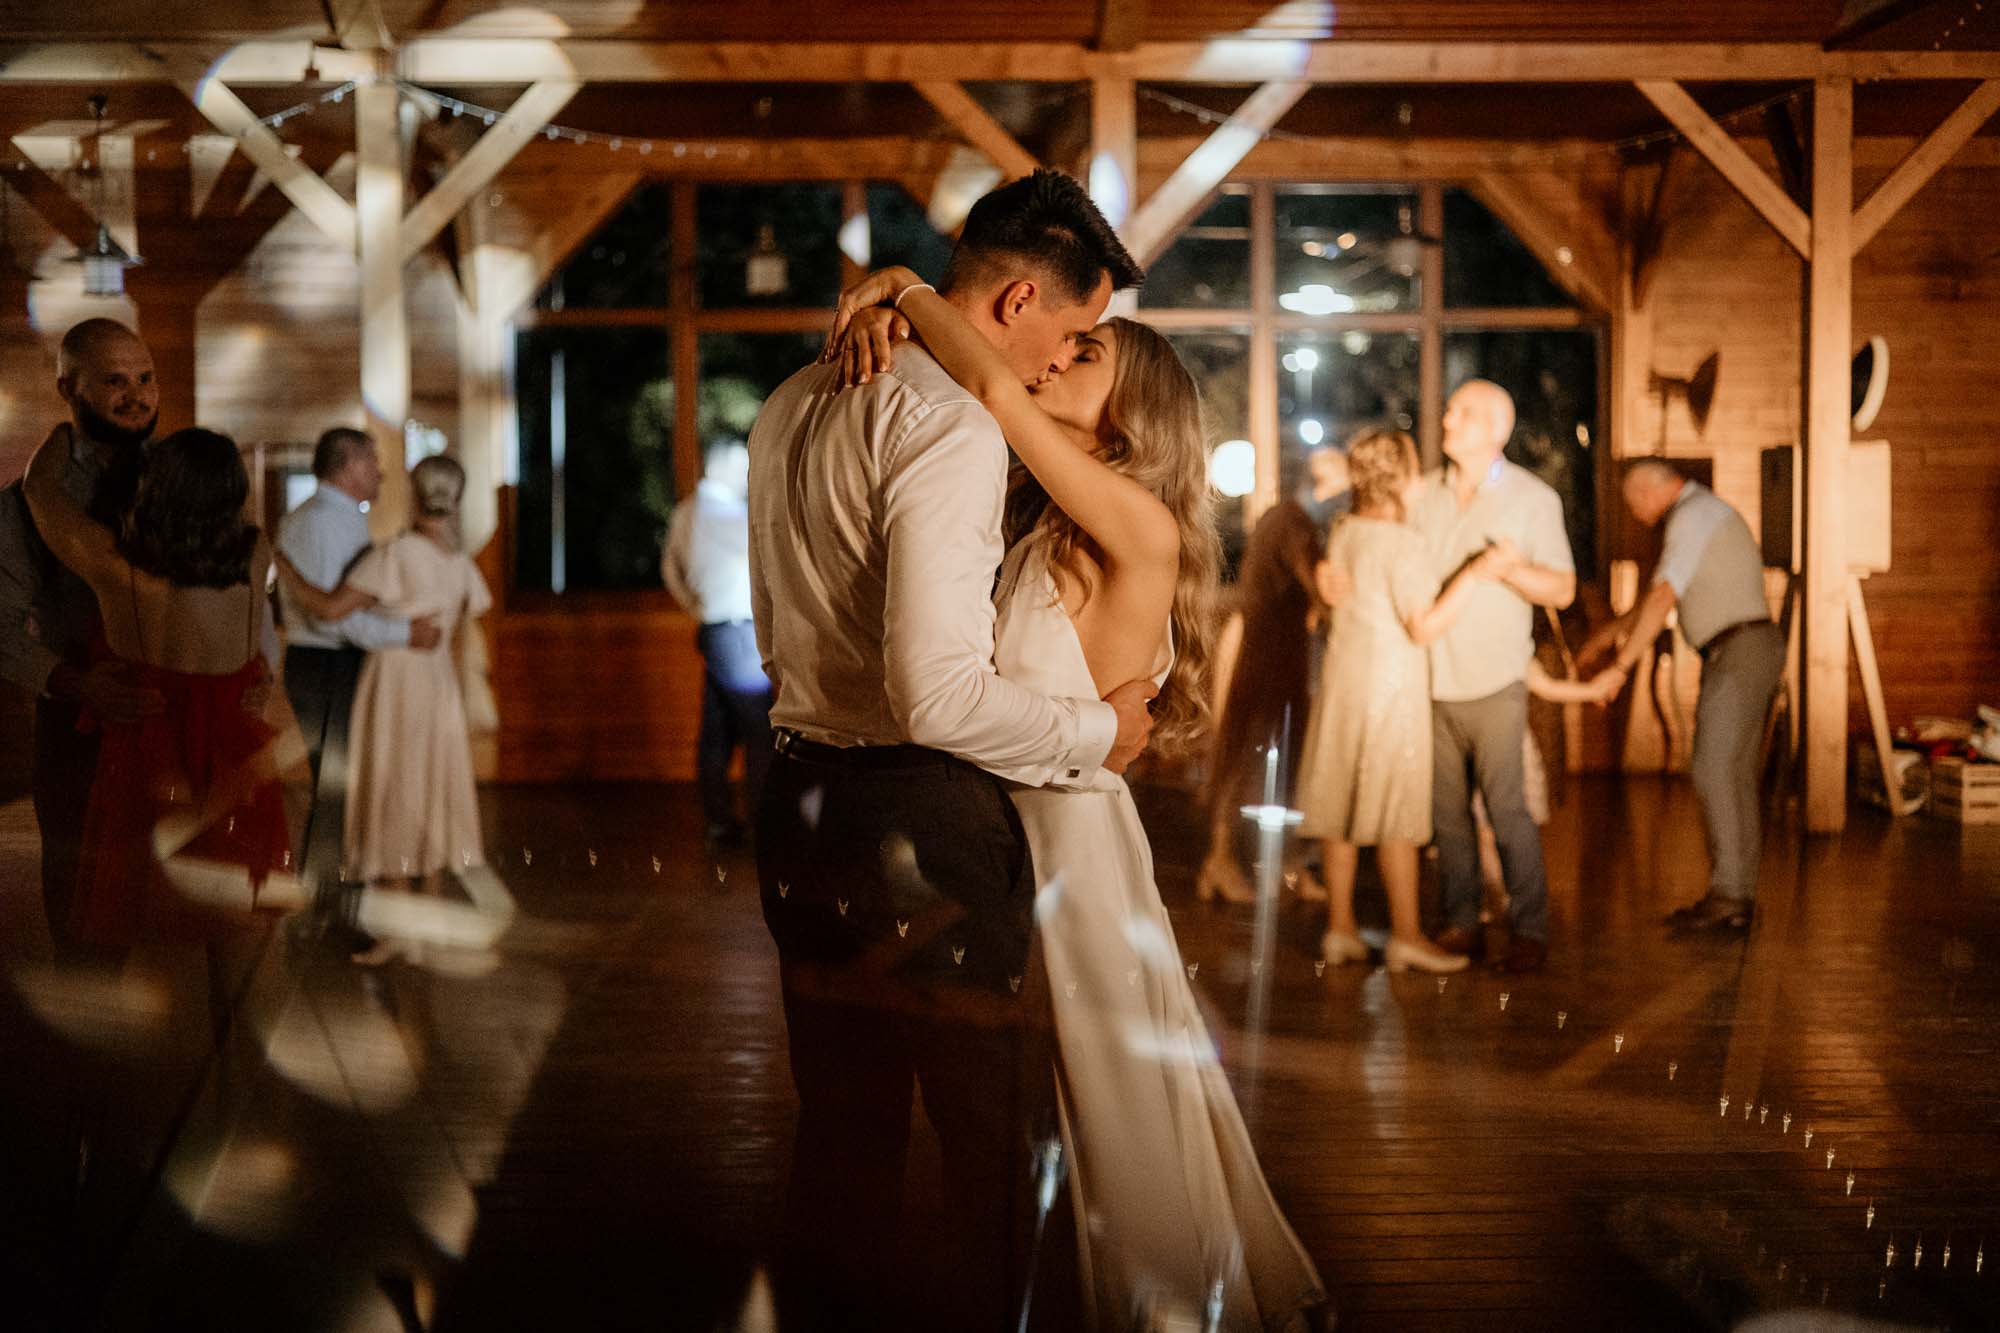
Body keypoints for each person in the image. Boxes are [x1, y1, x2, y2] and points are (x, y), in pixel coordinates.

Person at [829, 259, 1330, 1328]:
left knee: (1103, 1088)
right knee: (1028, 1101)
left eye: (1086, 352)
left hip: (1073, 848)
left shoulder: (1141, 527)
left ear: (1132, 412)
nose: (1055, 358)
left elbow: (993, 384)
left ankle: (1154, 1302)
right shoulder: (1042, 529)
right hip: (996, 833)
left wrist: (907, 292)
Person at [748, 171, 1155, 1331]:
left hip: (796, 797)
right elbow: (933, 695)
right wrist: (1097, 731)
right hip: (914, 824)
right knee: (993, 1138)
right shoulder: (949, 423)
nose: (1058, 361)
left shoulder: (790, 398)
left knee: (843, 1129)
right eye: (1071, 333)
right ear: (1019, 299)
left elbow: (773, 630)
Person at [21, 426, 297, 949]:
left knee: (133, 905)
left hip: (147, 742)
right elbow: (254, 647)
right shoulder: (255, 551)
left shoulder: (114, 565)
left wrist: (66, 430)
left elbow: (40, 492)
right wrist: (259, 676)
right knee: (233, 911)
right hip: (231, 742)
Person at [1295, 429, 1497, 976]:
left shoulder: (1345, 532)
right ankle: (1406, 936)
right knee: (1395, 813)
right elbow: (1422, 626)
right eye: (1413, 468)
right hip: (1389, 688)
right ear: (1399, 478)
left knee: (1341, 801)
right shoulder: (1402, 544)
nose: (1421, 480)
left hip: (1343, 684)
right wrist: (1473, 576)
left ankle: (1340, 929)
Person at [277, 456, 492, 963]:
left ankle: (400, 931)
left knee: (394, 792)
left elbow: (329, 608)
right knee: (431, 792)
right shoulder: (458, 562)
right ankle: (428, 924)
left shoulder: (397, 555)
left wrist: (285, 568)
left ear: (415, 495)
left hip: (395, 685)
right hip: (436, 684)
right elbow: (465, 622)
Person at [0, 319, 165, 960]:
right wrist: (75, 683)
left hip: (173, 717)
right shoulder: (26, 501)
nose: (137, 395)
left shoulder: (180, 477)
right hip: (77, 724)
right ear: (69, 388)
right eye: (115, 381)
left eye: (146, 378)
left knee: (180, 906)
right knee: (83, 906)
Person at [1410, 380, 1576, 974]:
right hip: (1430, 680)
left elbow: (1562, 588)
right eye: (1449, 410)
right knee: (1446, 816)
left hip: (1495, 681)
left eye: (1462, 412)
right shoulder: (1422, 493)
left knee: (1507, 810)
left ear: (1497, 430)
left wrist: (1511, 570)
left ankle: (1529, 929)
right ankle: (1462, 923)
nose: (1447, 419)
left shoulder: (1532, 499)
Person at [1581, 460, 1782, 932]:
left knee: (1713, 767)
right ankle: (1737, 892)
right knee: (1732, 772)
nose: (1637, 516)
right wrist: (1607, 635)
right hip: (1747, 648)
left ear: (1649, 491)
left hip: (1739, 651)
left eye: (1633, 505)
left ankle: (1731, 894)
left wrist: (1619, 668)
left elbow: (1661, 598)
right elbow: (1655, 598)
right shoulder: (1699, 512)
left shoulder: (1690, 516)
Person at [276, 428, 441, 927]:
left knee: (340, 785)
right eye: (372, 461)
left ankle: (332, 899)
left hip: (324, 664)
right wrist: (406, 634)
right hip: (328, 665)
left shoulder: (325, 517)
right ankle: (329, 905)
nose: (381, 472)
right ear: (347, 466)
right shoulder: (326, 523)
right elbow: (337, 616)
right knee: (338, 786)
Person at [1195, 446, 1347, 905]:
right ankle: (1231, 861)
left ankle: (1269, 864)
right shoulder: (1296, 525)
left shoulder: (1277, 519)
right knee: (1258, 760)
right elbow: (1321, 588)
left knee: (1255, 759)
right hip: (1274, 660)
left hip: (1268, 654)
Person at [662, 437, 771, 850]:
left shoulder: (687, 512)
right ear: (723, 469)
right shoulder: (735, 517)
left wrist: (694, 605)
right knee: (760, 731)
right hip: (740, 633)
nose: (747, 476)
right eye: (742, 467)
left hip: (712, 629)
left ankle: (720, 822)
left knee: (717, 730)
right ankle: (764, 824)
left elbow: (670, 568)